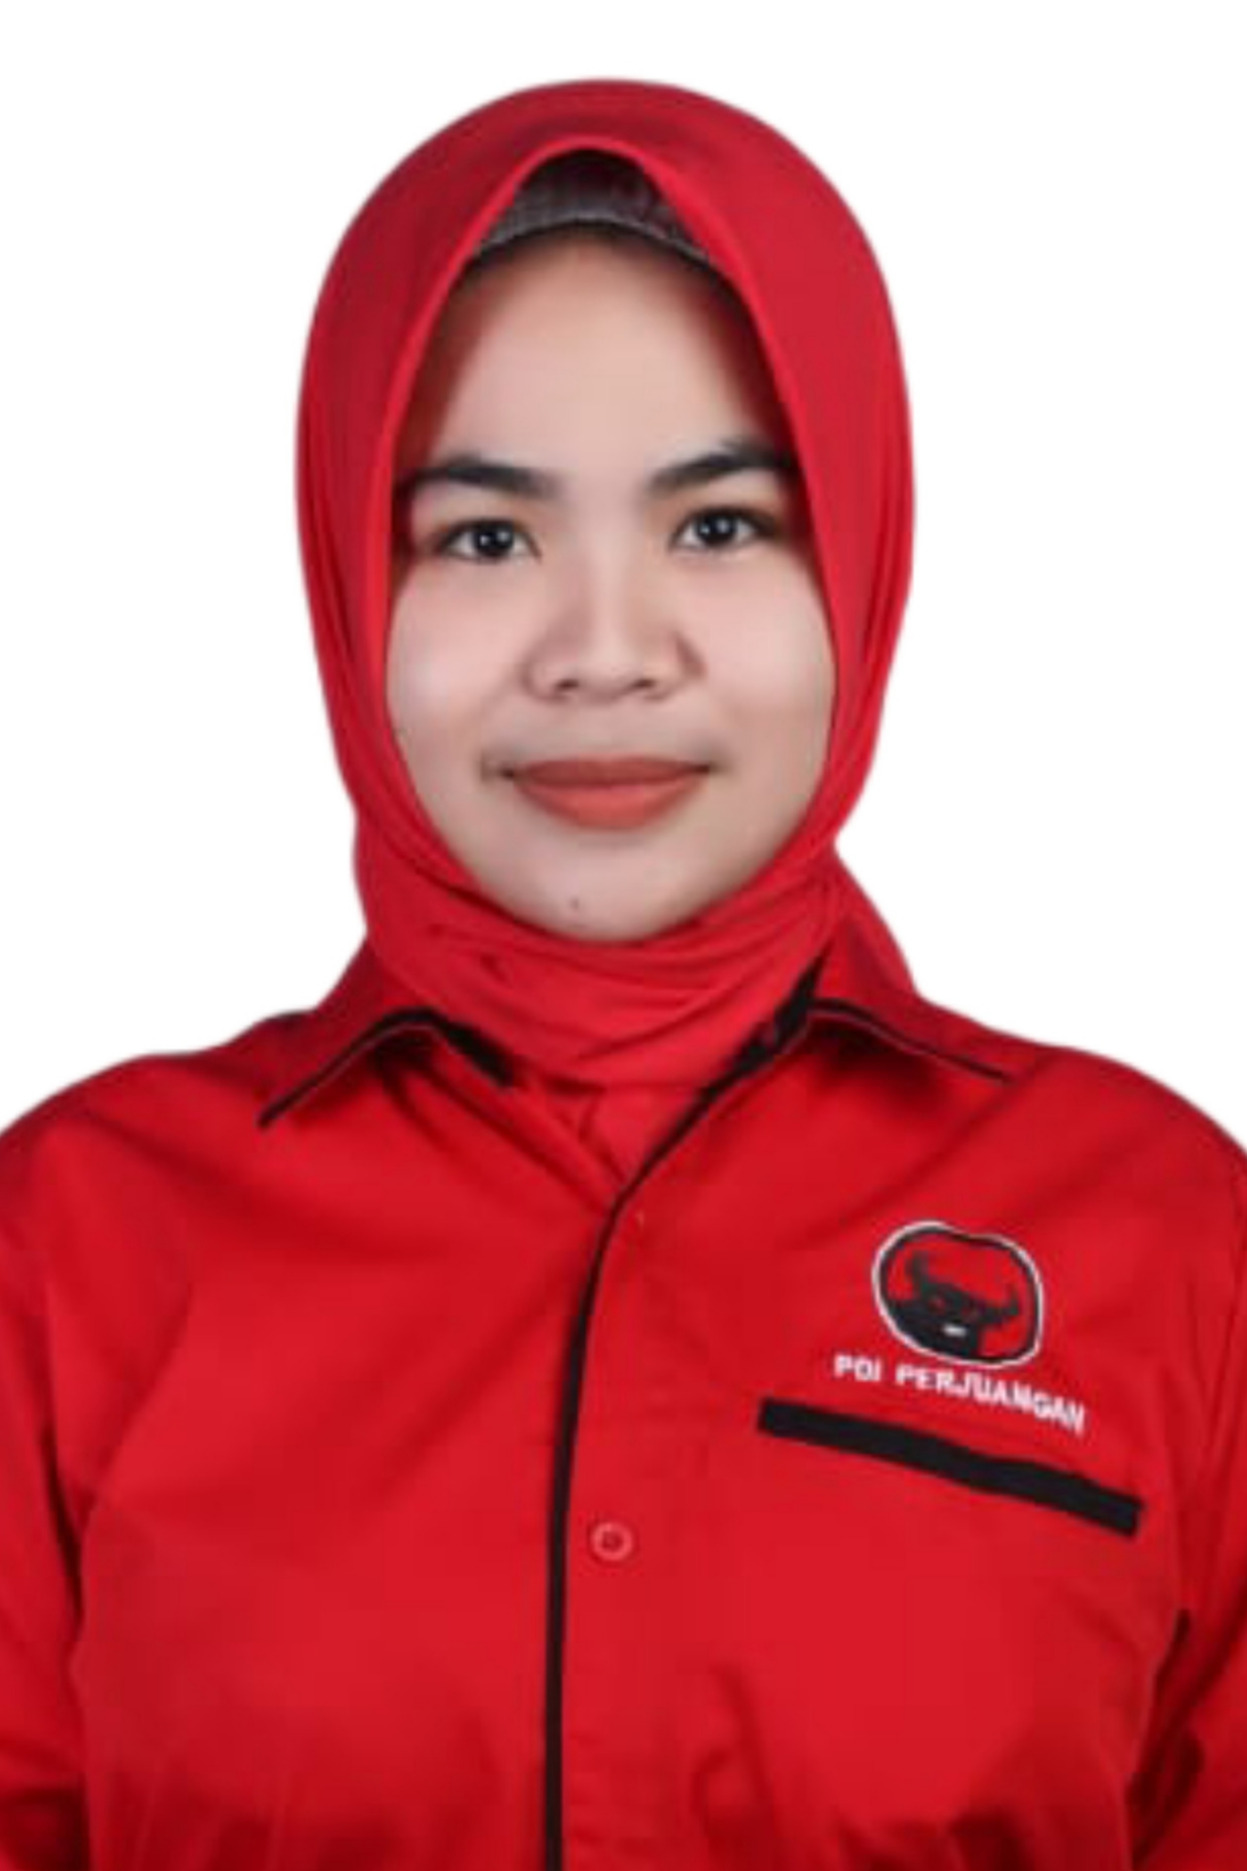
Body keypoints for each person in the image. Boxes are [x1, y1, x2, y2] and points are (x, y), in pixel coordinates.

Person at [0, 74, 1243, 1871]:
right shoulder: (75, 1245)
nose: (602, 652)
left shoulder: (1168, 1234)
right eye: (485, 536)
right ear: (350, 583)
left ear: (863, 561)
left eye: (719, 524)